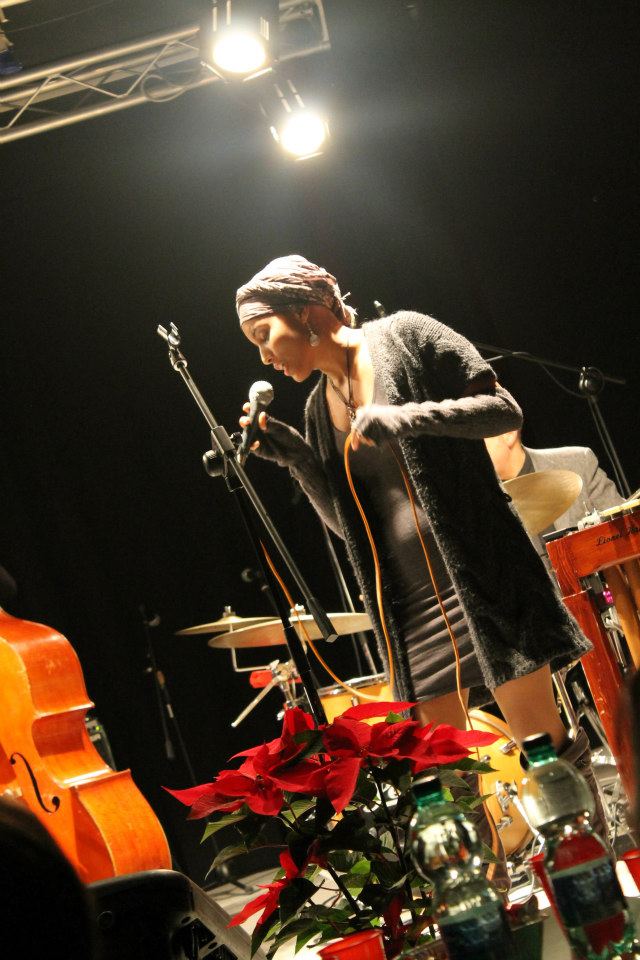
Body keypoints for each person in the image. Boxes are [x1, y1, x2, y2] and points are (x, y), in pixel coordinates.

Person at [234, 255, 603, 863]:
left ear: (308, 311)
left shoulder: (405, 335)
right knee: (450, 783)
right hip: (412, 615)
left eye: (264, 332)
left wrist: (406, 417)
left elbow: (503, 410)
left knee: (545, 751)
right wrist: (300, 460)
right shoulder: (316, 410)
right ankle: (486, 897)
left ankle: (587, 871)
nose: (264, 355)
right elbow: (351, 527)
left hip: (483, 582)